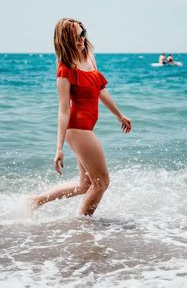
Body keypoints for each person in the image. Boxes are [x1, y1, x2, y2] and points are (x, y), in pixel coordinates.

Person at [30, 18, 132, 216]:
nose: (81, 40)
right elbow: (63, 110)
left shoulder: (89, 57)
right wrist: (59, 148)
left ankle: (36, 200)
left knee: (85, 185)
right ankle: (84, 226)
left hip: (87, 128)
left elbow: (100, 90)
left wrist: (119, 115)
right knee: (101, 182)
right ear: (66, 40)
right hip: (77, 129)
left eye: (83, 34)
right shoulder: (65, 69)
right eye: (76, 37)